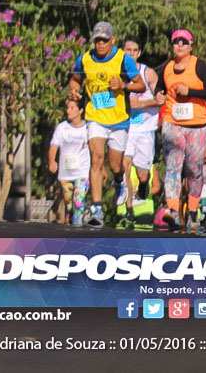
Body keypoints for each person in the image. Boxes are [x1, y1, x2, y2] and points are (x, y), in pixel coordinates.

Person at [67, 21, 144, 227]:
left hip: (119, 119)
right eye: (97, 40)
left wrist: (123, 85)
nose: (100, 44)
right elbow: (75, 79)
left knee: (115, 165)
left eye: (104, 40)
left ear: (113, 40)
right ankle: (98, 208)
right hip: (95, 116)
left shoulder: (122, 59)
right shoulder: (84, 59)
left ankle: (119, 181)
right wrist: (74, 90)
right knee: (96, 159)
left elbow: (140, 84)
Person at [153, 29, 206, 233]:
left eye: (184, 42)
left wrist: (190, 91)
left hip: (197, 126)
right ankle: (172, 209)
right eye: (175, 42)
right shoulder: (167, 67)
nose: (179, 45)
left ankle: (192, 212)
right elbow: (160, 89)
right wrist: (159, 97)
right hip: (173, 123)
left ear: (191, 45)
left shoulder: (199, 65)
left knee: (194, 169)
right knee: (172, 164)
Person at [122, 36, 159, 221]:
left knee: (143, 174)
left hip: (145, 129)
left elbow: (162, 100)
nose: (131, 53)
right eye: (128, 50)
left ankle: (144, 186)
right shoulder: (119, 74)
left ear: (139, 53)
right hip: (126, 128)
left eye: (134, 50)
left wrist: (141, 104)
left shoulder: (148, 73)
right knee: (124, 167)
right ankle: (128, 209)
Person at [48, 97, 91, 226]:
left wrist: (101, 169)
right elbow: (53, 146)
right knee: (70, 206)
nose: (68, 111)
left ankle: (77, 231)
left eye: (72, 108)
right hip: (66, 173)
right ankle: (70, 226)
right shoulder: (62, 128)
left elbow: (96, 150)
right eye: (67, 108)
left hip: (82, 172)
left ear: (81, 110)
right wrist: (52, 161)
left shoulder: (88, 128)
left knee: (78, 202)